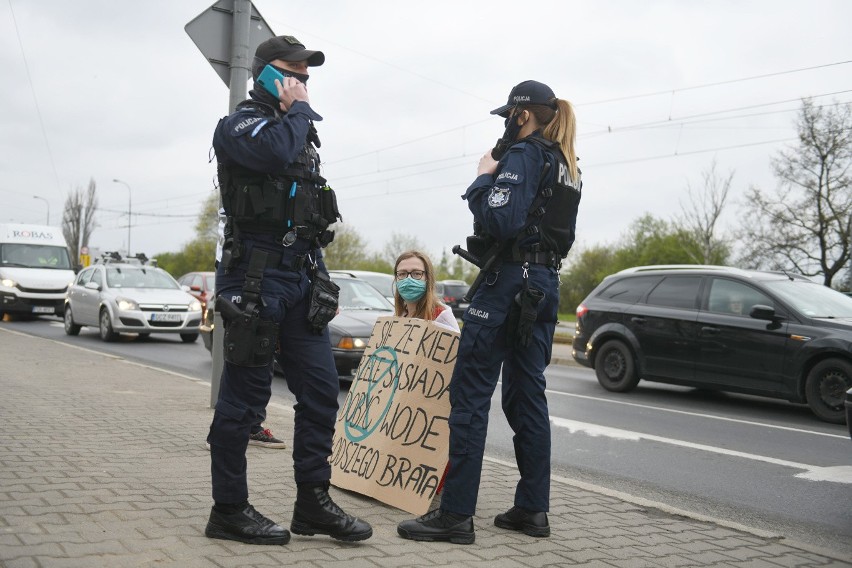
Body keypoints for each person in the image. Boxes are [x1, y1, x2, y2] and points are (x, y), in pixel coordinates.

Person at [204, 35, 372, 546]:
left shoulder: (297, 130)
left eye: (306, 72)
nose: (301, 80)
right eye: (291, 70)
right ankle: (229, 509)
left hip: (300, 279)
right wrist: (300, 112)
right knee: (245, 403)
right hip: (255, 279)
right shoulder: (240, 124)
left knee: (322, 392)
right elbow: (272, 151)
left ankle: (312, 504)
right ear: (264, 73)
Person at [397, 80, 582, 544]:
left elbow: (500, 219)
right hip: (544, 285)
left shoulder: (525, 155)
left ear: (522, 115)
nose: (504, 124)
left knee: (471, 399)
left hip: (508, 288)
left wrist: (483, 178)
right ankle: (531, 510)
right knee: (527, 398)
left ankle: (455, 516)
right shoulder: (568, 165)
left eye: (507, 116)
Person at [393, 250, 460, 333]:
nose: (408, 279)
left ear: (427, 278)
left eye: (417, 273)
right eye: (402, 274)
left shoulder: (440, 316)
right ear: (396, 278)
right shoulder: (398, 316)